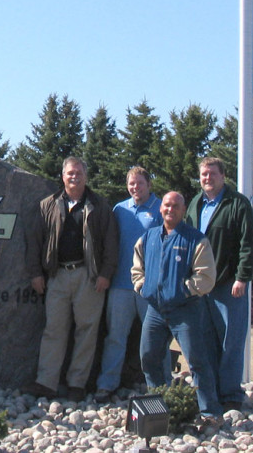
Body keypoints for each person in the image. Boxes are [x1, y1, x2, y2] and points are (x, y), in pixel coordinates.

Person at [23, 156, 118, 401]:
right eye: (70, 173)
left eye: (78, 173)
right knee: (53, 329)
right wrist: (35, 273)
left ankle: (77, 384)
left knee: (87, 331)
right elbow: (34, 242)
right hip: (57, 275)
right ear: (62, 176)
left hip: (89, 275)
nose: (74, 177)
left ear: (86, 177)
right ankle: (46, 382)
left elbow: (111, 244)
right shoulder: (48, 205)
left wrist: (105, 274)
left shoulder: (100, 206)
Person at [133, 191, 223, 426]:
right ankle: (157, 407)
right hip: (155, 309)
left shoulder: (196, 239)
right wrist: (142, 287)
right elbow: (136, 267)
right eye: (166, 205)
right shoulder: (148, 237)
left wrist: (183, 290)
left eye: (175, 206)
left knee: (197, 360)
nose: (170, 209)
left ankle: (210, 412)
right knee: (149, 357)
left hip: (185, 310)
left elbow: (206, 277)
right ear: (160, 209)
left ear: (183, 211)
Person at [185, 157, 253, 411]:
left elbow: (248, 244)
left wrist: (242, 277)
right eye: (204, 174)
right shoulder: (195, 204)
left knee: (231, 342)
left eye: (212, 174)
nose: (207, 178)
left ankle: (231, 396)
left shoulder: (237, 204)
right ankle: (211, 392)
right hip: (200, 287)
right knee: (205, 342)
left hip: (228, 285)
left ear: (222, 176)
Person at [94, 166, 167, 403]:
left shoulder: (160, 209)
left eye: (140, 183)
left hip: (150, 287)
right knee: (115, 338)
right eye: (132, 184)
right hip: (120, 286)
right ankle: (106, 385)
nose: (136, 188)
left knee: (157, 338)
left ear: (149, 184)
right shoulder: (119, 210)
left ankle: (163, 387)